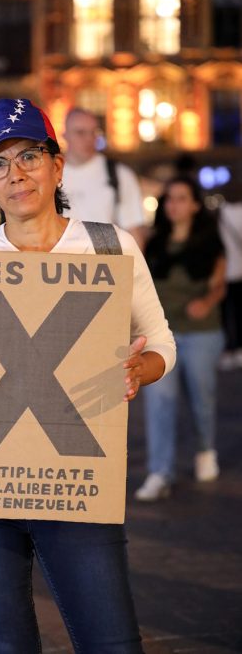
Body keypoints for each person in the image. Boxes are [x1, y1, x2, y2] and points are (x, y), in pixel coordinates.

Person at [0, 98, 176, 653]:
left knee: (112, 644)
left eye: (30, 154)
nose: (16, 174)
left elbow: (162, 345)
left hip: (74, 481)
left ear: (57, 166)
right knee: (5, 647)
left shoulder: (108, 247)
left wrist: (139, 368)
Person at [135, 177, 226, 503]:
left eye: (182, 198)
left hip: (201, 332)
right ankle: (160, 472)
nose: (174, 204)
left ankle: (204, 450)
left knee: (202, 398)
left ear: (195, 205)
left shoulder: (209, 242)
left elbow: (219, 284)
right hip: (161, 335)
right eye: (170, 199)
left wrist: (207, 302)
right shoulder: (153, 242)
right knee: (159, 403)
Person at [62, 107, 146, 249]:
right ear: (65, 135)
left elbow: (134, 232)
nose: (89, 139)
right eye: (80, 132)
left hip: (105, 264)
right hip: (62, 264)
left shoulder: (119, 174)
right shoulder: (50, 175)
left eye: (94, 132)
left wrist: (133, 269)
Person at [218, 198, 242, 370]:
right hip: (238, 271)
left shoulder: (221, 212)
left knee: (226, 313)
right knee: (239, 312)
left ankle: (229, 348)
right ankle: (238, 348)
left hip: (225, 271)